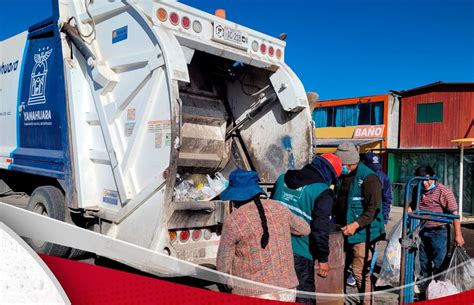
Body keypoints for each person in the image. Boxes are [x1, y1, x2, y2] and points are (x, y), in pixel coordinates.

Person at [216, 169, 310, 302]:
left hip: (251, 292)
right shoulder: (279, 208)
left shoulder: (234, 220)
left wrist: (230, 286)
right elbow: (305, 229)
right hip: (286, 290)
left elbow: (223, 265)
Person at [272, 153, 343, 305]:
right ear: (329, 174)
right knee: (304, 295)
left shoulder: (282, 178)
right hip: (301, 253)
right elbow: (320, 229)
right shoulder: (322, 191)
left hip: (274, 247)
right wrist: (323, 258)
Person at [334, 142, 385, 305]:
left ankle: (367, 302)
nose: (340, 167)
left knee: (359, 272)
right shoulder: (342, 176)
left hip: (362, 233)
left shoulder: (369, 178)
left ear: (350, 162)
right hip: (343, 230)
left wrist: (355, 225)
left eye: (341, 165)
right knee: (340, 268)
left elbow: (373, 209)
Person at [410, 165, 465, 296]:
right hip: (422, 230)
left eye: (428, 179)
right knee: (424, 261)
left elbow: (455, 214)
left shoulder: (443, 191)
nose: (425, 183)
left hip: (439, 231)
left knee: (440, 261)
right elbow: (411, 206)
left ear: (434, 178)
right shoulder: (417, 190)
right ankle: (427, 288)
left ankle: (442, 289)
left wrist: (458, 235)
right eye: (422, 180)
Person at [363, 152, 393, 224]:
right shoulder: (360, 176)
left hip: (377, 216)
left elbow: (387, 199)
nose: (375, 169)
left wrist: (384, 217)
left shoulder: (384, 178)